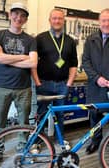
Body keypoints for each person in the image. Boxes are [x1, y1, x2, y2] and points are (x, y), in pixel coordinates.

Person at [0, 2, 38, 167]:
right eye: (16, 14)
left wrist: (7, 57)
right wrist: (22, 57)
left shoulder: (31, 39)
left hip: (23, 89)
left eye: (22, 15)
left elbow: (32, 63)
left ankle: (22, 150)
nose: (19, 17)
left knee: (24, 123)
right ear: (10, 15)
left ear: (25, 19)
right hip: (1, 87)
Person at [34, 8, 78, 141]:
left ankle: (61, 139)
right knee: (41, 114)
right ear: (50, 20)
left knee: (60, 114)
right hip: (44, 84)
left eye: (60, 18)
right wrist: (37, 82)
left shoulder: (70, 41)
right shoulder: (40, 38)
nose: (57, 21)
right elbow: (33, 63)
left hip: (62, 85)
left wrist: (69, 84)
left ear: (63, 21)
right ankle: (37, 141)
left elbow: (73, 65)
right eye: (54, 18)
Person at [82, 8, 109, 154]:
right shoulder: (90, 39)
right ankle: (95, 141)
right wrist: (97, 78)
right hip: (95, 86)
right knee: (94, 117)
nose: (106, 23)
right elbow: (85, 62)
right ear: (99, 22)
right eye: (104, 20)